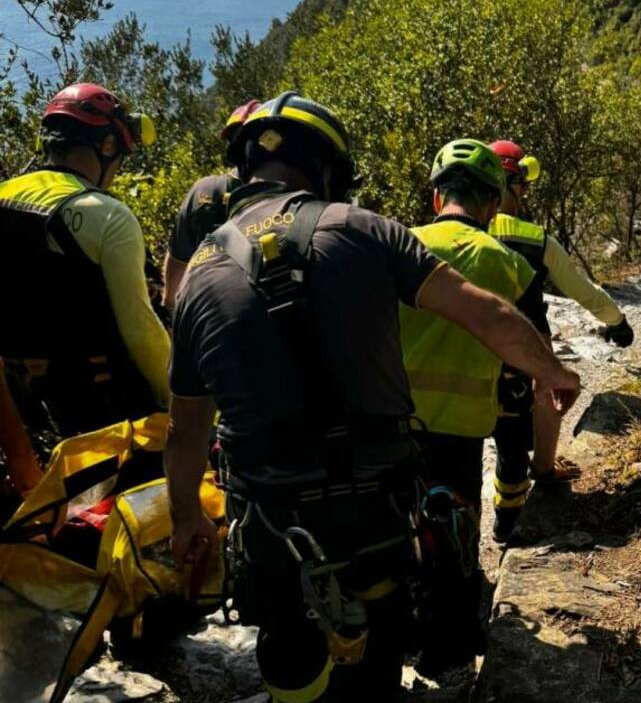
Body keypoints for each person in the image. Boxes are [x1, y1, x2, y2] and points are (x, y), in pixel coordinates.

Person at [164, 97, 579, 703]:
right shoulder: (362, 230)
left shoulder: (199, 271)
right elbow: (484, 312)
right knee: (378, 642)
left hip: (269, 514)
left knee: (286, 646)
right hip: (372, 503)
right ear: (327, 169)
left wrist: (186, 519)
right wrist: (552, 372)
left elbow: (186, 432)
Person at [398, 138, 550, 675]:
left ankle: (404, 636)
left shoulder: (396, 247)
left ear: (438, 199)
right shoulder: (507, 263)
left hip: (392, 426)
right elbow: (534, 352)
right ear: (492, 203)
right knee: (456, 539)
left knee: (400, 535)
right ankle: (451, 651)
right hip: (461, 429)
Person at [486, 139, 634, 542]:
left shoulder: (453, 231)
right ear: (514, 185)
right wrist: (616, 322)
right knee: (549, 389)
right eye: (525, 186)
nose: (527, 194)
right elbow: (581, 291)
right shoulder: (535, 239)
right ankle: (545, 467)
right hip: (528, 346)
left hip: (465, 349)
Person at [0, 83, 166, 438]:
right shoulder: (106, 215)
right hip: (107, 414)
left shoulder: (4, 196)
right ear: (107, 146)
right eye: (120, 157)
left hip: (26, 414)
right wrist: (182, 402)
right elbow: (141, 332)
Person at [161, 99, 261, 310]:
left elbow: (178, 262)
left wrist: (171, 308)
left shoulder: (205, 190)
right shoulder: (293, 189)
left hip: (210, 314)